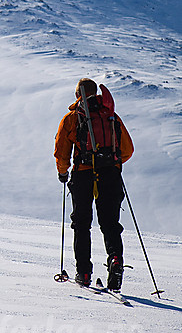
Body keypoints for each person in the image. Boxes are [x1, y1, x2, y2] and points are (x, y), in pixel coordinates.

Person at [54, 78, 134, 290]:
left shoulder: (72, 118)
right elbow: (127, 150)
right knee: (110, 224)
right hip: (110, 175)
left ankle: (84, 272)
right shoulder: (110, 116)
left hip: (83, 175)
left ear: (78, 95)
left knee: (82, 224)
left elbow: (62, 152)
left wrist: (63, 173)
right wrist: (109, 161)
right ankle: (115, 261)